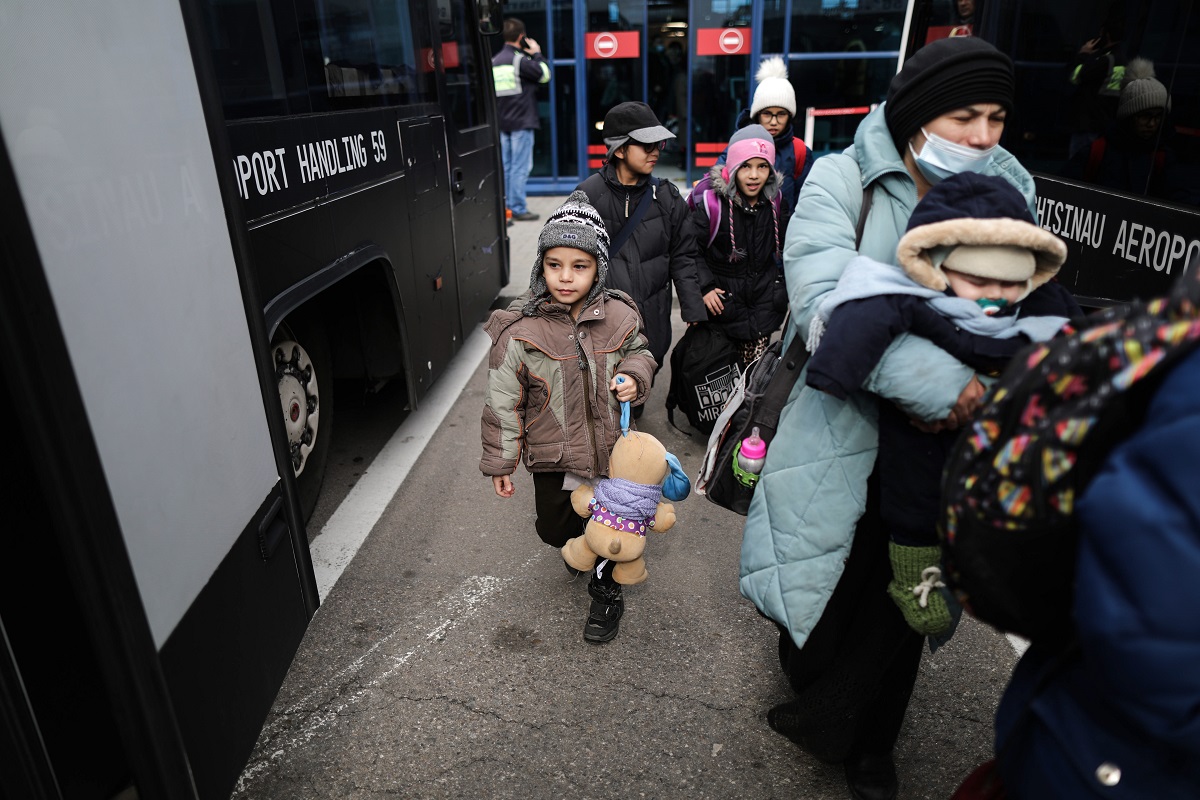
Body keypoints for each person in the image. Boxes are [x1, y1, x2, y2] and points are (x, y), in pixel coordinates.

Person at [738, 36, 1031, 800]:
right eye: (965, 115)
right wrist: (949, 385)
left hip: (938, 458)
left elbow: (1022, 308)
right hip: (839, 434)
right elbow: (829, 306)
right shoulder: (842, 179)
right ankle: (817, 686)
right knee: (819, 623)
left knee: (906, 606)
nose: (983, 136)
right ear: (916, 112)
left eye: (997, 117)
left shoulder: (1011, 187)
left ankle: (871, 746)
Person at [804, 172, 1078, 637]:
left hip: (1006, 435)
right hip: (923, 433)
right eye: (978, 280)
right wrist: (835, 372)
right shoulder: (905, 292)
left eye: (1010, 284)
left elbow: (1081, 347)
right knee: (914, 496)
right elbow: (864, 316)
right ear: (938, 265)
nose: (994, 295)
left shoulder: (1046, 304)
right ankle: (917, 576)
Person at [480, 191, 657, 643]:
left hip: (611, 454)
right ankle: (578, 545)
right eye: (554, 264)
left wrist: (635, 376)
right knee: (554, 527)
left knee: (612, 529)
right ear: (540, 266)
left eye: (579, 266)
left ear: (598, 267)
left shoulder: (618, 315)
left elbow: (640, 353)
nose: (565, 276)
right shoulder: (521, 330)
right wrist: (501, 463)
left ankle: (606, 591)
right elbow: (503, 400)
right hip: (555, 456)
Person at [576, 101, 707, 393]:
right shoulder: (586, 196)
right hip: (602, 326)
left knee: (638, 392)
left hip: (653, 325)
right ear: (619, 149)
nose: (656, 151)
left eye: (658, 143)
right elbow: (566, 261)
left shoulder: (667, 197)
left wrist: (694, 311)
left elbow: (684, 257)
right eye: (646, 145)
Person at [690, 124, 788, 366]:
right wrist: (704, 288)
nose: (754, 175)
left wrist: (782, 288)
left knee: (753, 379)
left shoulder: (776, 201)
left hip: (763, 308)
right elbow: (690, 251)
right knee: (722, 377)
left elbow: (789, 247)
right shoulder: (712, 204)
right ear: (733, 166)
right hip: (723, 309)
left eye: (762, 166)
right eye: (745, 166)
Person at [1066, 58, 1198, 204]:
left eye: (1158, 116)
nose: (1152, 124)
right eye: (1145, 116)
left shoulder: (1163, 158)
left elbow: (1181, 204)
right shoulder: (1097, 151)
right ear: (1129, 116)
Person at [717, 56, 814, 233]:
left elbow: (806, 203)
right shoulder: (738, 146)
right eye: (767, 114)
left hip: (782, 241)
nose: (774, 121)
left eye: (781, 114)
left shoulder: (799, 151)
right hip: (742, 238)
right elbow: (718, 187)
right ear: (757, 114)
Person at [492, 18, 550, 222]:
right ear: (521, 37)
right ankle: (517, 207)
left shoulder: (495, 61)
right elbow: (544, 75)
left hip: (502, 122)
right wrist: (537, 53)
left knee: (507, 167)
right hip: (521, 122)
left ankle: (507, 207)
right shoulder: (520, 60)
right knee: (520, 167)